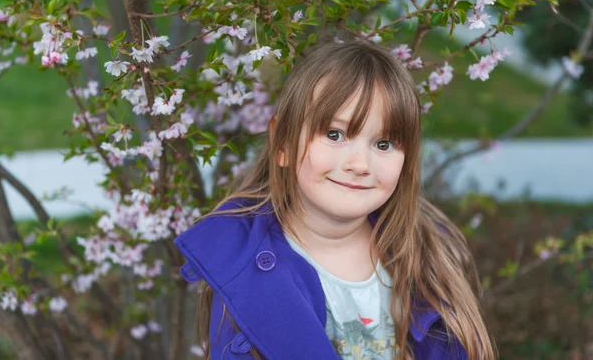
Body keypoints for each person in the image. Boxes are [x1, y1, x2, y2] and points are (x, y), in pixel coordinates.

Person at [174, 41, 496, 359]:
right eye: (335, 135)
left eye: (383, 144)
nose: (360, 165)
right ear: (283, 143)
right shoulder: (243, 270)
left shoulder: (425, 252)